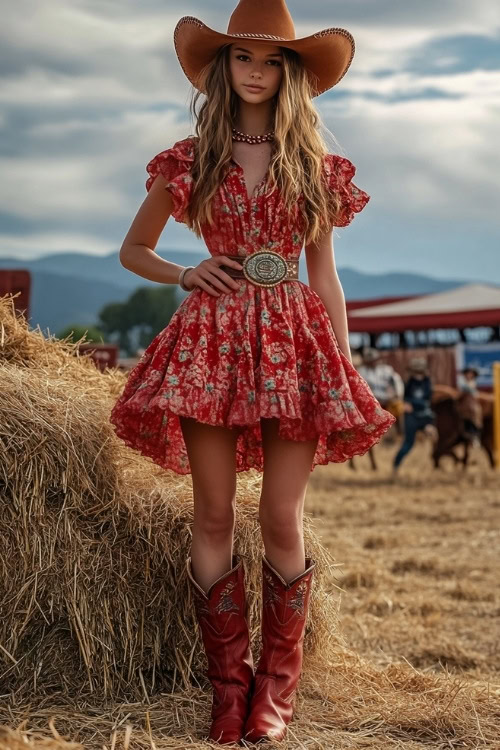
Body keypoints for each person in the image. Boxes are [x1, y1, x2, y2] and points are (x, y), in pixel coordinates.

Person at [109, 1, 396, 743]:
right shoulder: (190, 159)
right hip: (212, 340)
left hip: (297, 346)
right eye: (244, 58)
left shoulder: (319, 167)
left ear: (291, 73)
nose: (258, 72)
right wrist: (186, 272)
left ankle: (277, 688)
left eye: (272, 61)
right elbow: (132, 251)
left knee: (278, 516)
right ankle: (228, 689)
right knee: (212, 515)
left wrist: (341, 365)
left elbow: (326, 276)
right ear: (222, 67)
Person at [392, 356, 438, 476]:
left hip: (425, 416)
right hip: (411, 417)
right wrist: (406, 404)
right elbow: (403, 398)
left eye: (419, 371)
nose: (417, 374)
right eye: (415, 371)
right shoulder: (408, 383)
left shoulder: (427, 383)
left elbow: (426, 400)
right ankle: (395, 466)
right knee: (408, 444)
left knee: (434, 434)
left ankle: (435, 464)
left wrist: (413, 404)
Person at [357, 348, 405, 437]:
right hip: (373, 402)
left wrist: (397, 394)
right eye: (370, 360)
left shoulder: (386, 369)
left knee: (398, 407)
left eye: (374, 359)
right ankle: (371, 435)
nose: (373, 362)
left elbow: (397, 381)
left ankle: (400, 432)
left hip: (388, 400)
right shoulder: (362, 371)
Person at [456, 366, 483, 448]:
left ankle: (474, 436)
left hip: (471, 406)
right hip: (464, 405)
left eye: (471, 374)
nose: (469, 375)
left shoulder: (472, 383)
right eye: (468, 374)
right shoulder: (463, 383)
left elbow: (474, 393)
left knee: (474, 417)